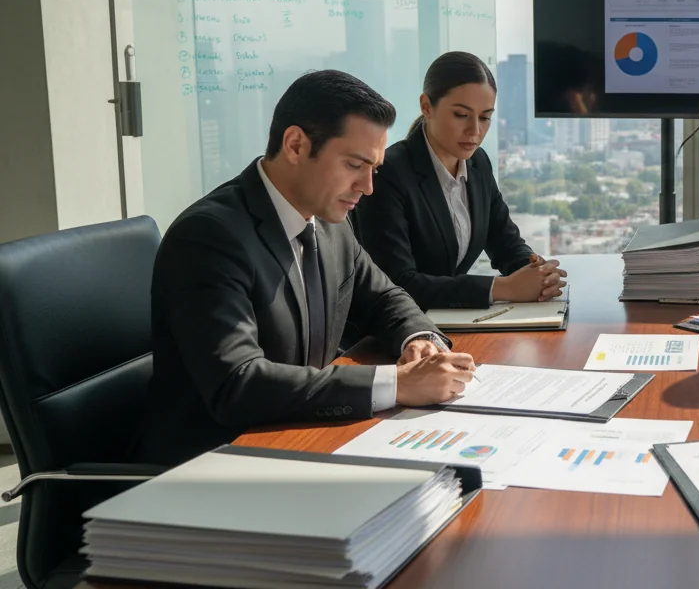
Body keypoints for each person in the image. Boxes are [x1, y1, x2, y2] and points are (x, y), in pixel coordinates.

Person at [135, 70, 476, 466]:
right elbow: (238, 385)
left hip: (297, 439)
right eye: (354, 165)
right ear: (296, 145)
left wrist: (417, 339)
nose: (367, 187)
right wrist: (397, 384)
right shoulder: (210, 237)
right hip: (214, 465)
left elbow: (385, 296)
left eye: (374, 169)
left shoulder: (329, 221)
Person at [355, 52, 565, 310]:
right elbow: (398, 283)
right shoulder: (388, 173)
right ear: (426, 106)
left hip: (450, 322)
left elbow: (505, 242)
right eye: (461, 115)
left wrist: (537, 273)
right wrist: (503, 288)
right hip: (394, 335)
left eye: (485, 117)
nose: (475, 131)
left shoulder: (478, 163)